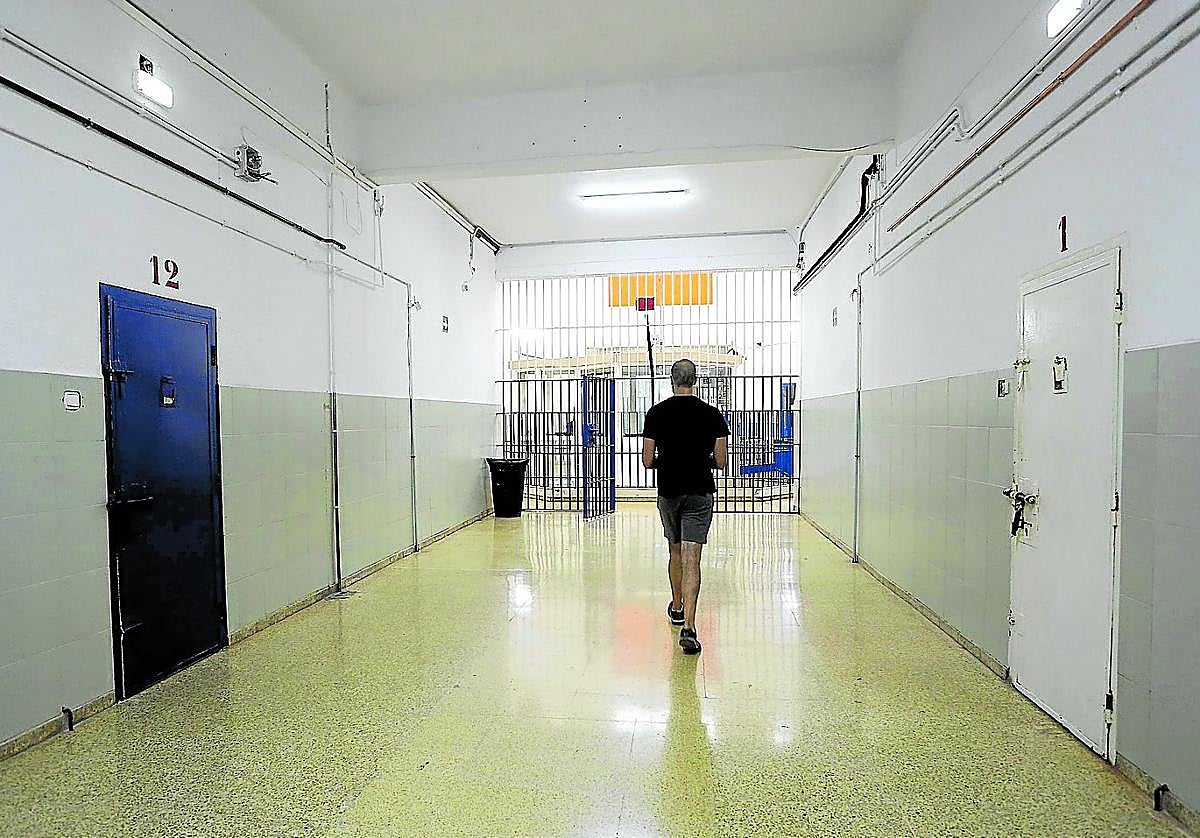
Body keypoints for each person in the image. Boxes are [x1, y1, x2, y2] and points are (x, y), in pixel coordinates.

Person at [641, 359, 729, 655]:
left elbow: (647, 459)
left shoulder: (657, 413)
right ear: (695, 380)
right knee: (693, 558)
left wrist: (666, 460)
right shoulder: (712, 415)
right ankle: (689, 627)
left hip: (669, 491)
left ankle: (676, 605)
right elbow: (721, 461)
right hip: (700, 491)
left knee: (675, 550)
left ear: (672, 379)